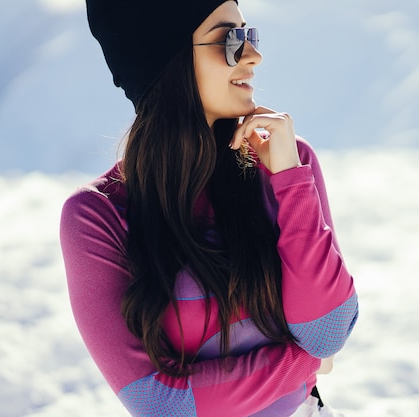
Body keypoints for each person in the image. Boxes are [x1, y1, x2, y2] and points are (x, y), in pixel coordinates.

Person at [59, 0, 358, 416]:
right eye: (229, 40)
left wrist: (291, 179)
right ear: (165, 60)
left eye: (248, 35)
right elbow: (161, 404)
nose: (253, 55)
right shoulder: (98, 216)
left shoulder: (284, 162)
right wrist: (305, 362)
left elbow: (327, 331)